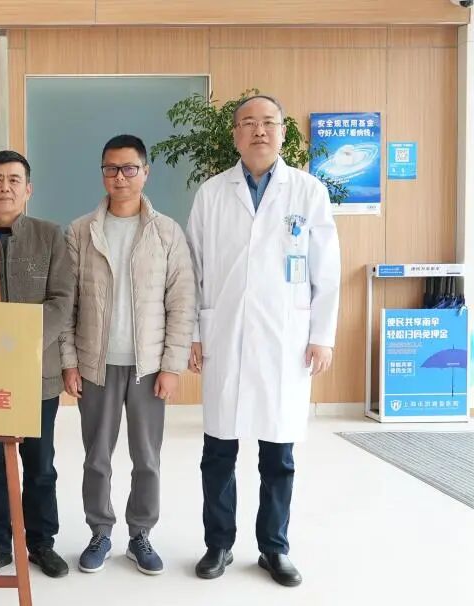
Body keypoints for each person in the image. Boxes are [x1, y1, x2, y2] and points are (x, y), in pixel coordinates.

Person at [186, 95, 340, 587]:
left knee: (279, 454)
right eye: (248, 123)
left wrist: (322, 335)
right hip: (224, 333)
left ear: (283, 132)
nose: (259, 131)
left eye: (268, 122)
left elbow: (326, 269)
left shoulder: (308, 192)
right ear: (235, 134)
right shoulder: (212, 193)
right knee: (218, 451)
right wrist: (193, 333)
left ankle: (274, 548)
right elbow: (193, 269)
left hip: (284, 338)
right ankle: (218, 544)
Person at [61, 134, 195, 575]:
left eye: (129, 168)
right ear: (102, 173)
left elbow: (181, 303)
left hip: (148, 367)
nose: (120, 177)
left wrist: (171, 366)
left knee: (147, 458)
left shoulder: (166, 232)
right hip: (95, 364)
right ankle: (100, 531)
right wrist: (69, 361)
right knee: (96, 457)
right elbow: (67, 304)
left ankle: (140, 534)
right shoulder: (80, 231)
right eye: (111, 169)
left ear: (145, 172)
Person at [0, 150, 73, 579]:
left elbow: (62, 299)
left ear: (28, 189)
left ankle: (41, 543)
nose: (5, 187)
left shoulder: (51, 236)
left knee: (39, 465)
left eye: (14, 180)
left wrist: (24, 341)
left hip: (37, 373)